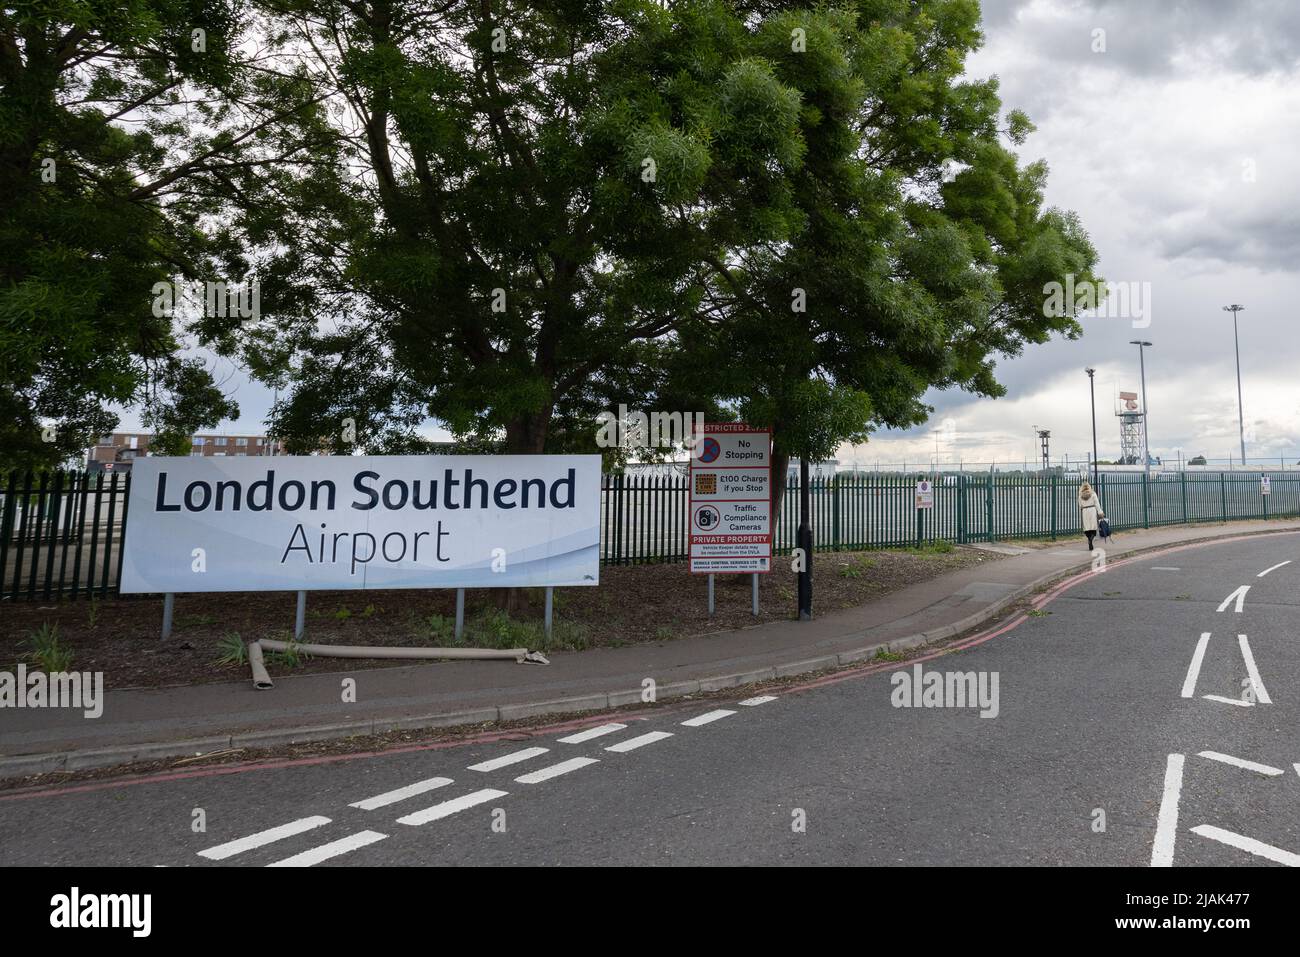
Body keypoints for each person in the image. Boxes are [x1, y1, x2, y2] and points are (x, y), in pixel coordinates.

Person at [1078, 481, 1105, 550]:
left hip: (1085, 511)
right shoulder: (1093, 494)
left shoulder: (1080, 495)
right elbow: (1097, 504)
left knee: (1087, 527)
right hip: (1092, 510)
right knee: (1093, 527)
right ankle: (1091, 539)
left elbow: (1080, 505)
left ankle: (1089, 539)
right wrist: (1100, 512)